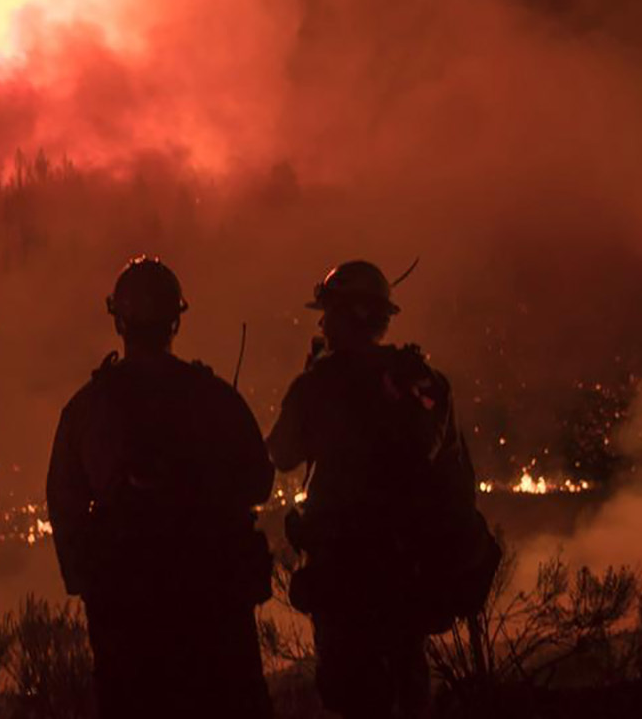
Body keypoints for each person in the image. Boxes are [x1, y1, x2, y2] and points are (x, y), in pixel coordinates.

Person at [47, 256, 275, 719]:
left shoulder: (89, 407)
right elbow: (259, 480)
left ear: (119, 321)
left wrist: (86, 580)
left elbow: (65, 501)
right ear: (176, 320)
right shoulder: (213, 398)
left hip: (127, 610)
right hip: (213, 603)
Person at [268, 260, 489, 719]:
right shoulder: (421, 382)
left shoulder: (321, 384)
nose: (322, 322)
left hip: (343, 575)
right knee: (409, 687)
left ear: (345, 318)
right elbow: (456, 475)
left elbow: (281, 453)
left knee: (353, 697)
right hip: (407, 574)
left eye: (326, 312)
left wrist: (310, 382)